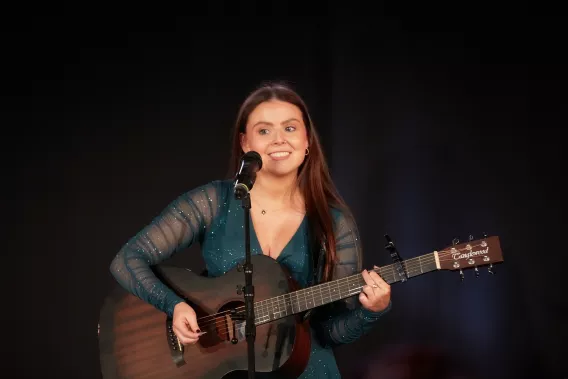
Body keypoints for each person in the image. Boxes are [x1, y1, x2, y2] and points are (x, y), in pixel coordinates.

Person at [109, 81, 392, 378]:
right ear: (245, 143)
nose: (279, 140)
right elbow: (127, 259)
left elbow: (330, 333)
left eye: (290, 128)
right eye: (264, 130)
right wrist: (174, 305)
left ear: (308, 140)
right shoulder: (213, 201)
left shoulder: (335, 222)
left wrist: (371, 311)